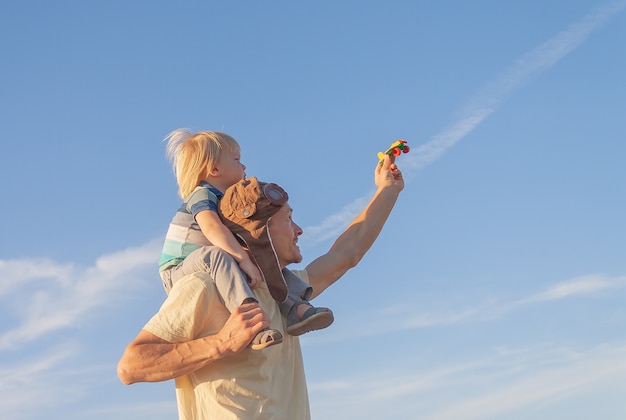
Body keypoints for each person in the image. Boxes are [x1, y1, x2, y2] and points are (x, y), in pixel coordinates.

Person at [117, 154, 404, 419]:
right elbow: (131, 365)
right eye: (289, 219)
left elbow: (346, 255)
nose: (299, 229)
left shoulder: (286, 294)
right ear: (261, 232)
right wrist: (222, 343)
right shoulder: (204, 286)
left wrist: (387, 190)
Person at [158, 129, 333, 350]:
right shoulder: (202, 194)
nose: (244, 166)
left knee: (264, 257)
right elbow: (212, 229)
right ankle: (252, 324)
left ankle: (296, 307)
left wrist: (254, 255)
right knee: (218, 254)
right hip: (177, 271)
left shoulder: (226, 201)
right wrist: (242, 259)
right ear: (214, 169)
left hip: (209, 263)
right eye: (237, 159)